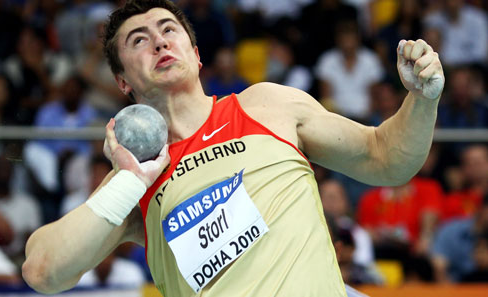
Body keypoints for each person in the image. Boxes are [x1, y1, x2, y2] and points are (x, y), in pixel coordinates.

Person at [22, 0, 445, 296]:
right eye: (138, 40)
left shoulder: (269, 105)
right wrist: (128, 183)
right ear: (122, 82)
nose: (159, 42)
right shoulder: (137, 178)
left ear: (196, 53)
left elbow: (386, 158)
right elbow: (43, 271)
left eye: (169, 30)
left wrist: (422, 99)